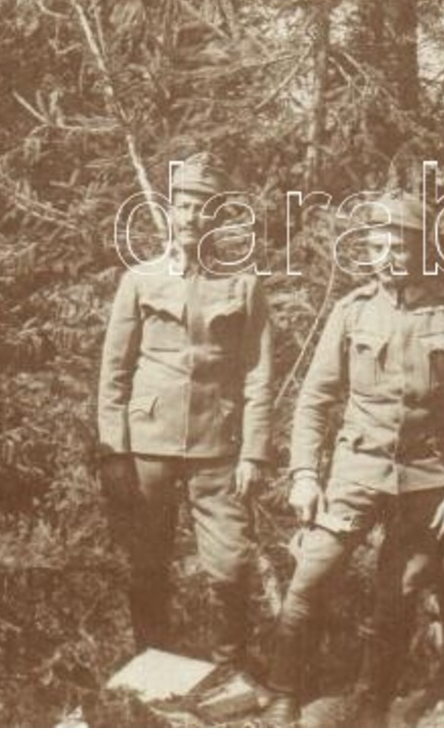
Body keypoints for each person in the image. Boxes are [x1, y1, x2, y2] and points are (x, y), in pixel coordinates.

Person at [263, 190, 444, 727]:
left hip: (426, 477)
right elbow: (316, 400)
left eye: (400, 245)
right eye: (376, 244)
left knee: (404, 585)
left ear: (423, 248)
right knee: (312, 574)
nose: (387, 255)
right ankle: (283, 692)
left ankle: (373, 703)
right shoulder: (351, 312)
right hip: (358, 468)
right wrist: (302, 474)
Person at [95, 154, 274, 671]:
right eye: (185, 205)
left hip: (217, 448)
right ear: (171, 211)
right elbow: (114, 371)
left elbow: (259, 374)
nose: (194, 216)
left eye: (205, 207)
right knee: (148, 561)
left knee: (231, 562)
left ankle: (229, 665)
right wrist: (113, 450)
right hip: (148, 443)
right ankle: (151, 661)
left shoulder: (243, 286)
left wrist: (255, 452)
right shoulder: (141, 280)